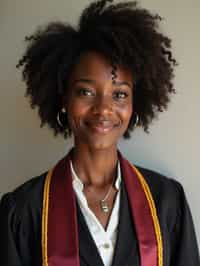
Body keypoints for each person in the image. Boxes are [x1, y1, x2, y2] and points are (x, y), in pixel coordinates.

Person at [0, 0, 199, 265]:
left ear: (134, 104)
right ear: (64, 99)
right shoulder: (23, 211)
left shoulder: (166, 201)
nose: (104, 109)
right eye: (86, 91)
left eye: (119, 94)